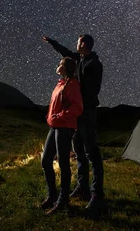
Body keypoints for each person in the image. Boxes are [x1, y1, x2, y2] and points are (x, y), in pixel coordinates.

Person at [42, 34, 105, 218]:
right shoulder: (80, 59)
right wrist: (53, 42)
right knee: (78, 150)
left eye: (78, 43)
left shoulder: (94, 64)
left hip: (87, 112)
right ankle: (82, 186)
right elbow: (66, 53)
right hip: (77, 114)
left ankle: (97, 195)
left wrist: (73, 92)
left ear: (83, 44)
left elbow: (93, 90)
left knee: (92, 152)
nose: (75, 46)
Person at [40, 57, 83, 215]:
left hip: (64, 127)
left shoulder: (73, 85)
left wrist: (58, 117)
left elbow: (77, 108)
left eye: (60, 63)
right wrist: (50, 116)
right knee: (46, 160)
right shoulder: (61, 83)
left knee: (63, 163)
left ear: (66, 68)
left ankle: (63, 201)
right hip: (55, 126)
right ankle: (52, 195)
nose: (58, 65)